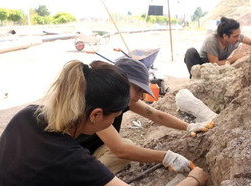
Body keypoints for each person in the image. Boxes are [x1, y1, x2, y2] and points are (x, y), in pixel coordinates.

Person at [0, 60, 208, 186]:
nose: (115, 121)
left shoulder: (28, 116)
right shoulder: (70, 160)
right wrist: (194, 179)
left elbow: (58, 179)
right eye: (114, 116)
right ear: (96, 114)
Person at [76, 57, 214, 175]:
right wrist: (167, 157)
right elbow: (121, 150)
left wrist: (189, 126)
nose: (141, 96)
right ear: (121, 80)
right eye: (138, 89)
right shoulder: (99, 104)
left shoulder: (122, 99)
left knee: (127, 145)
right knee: (124, 150)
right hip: (73, 155)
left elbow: (156, 115)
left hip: (92, 150)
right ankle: (85, 181)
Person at [184, 17, 251, 78]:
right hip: (205, 65)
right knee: (191, 52)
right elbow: (215, 64)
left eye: (239, 35)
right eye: (235, 36)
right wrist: (234, 58)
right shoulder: (211, 41)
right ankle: (194, 79)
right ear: (225, 36)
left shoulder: (236, 37)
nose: (239, 38)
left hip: (219, 64)